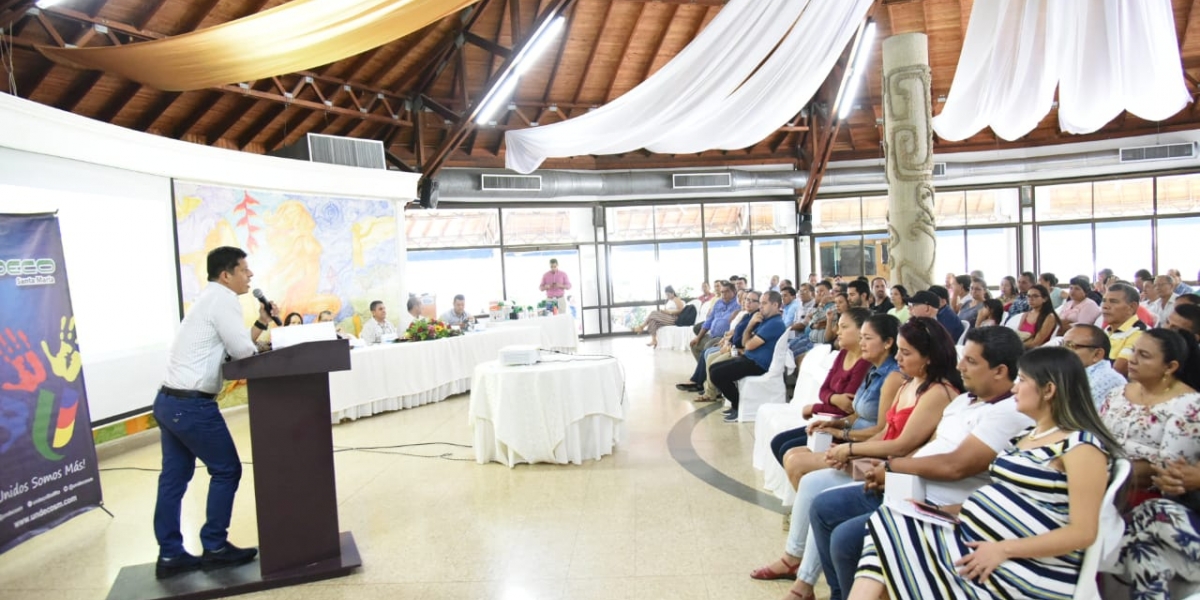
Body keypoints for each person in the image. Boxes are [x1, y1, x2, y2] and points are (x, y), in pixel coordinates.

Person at [850, 346, 1118, 600]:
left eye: (1022, 380)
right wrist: (939, 511)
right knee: (891, 520)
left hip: (1023, 568)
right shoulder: (1027, 437)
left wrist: (1002, 549)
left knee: (888, 534)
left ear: (1048, 390)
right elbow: (1005, 497)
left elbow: (1083, 532)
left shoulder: (1081, 446)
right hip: (980, 541)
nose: (1014, 388)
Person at [808, 327, 1031, 600]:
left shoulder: (1006, 412)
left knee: (847, 538)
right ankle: (839, 593)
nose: (961, 366)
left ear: (1000, 371)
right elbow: (928, 448)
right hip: (908, 486)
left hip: (939, 503)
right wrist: (886, 471)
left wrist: (892, 467)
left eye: (971, 361)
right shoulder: (963, 401)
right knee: (823, 507)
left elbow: (956, 466)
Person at [762, 316, 959, 599]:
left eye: (906, 353)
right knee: (814, 486)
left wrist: (851, 449)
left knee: (815, 484)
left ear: (928, 358)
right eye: (899, 352)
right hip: (880, 459)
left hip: (893, 468)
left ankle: (803, 576)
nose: (899, 358)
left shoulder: (933, 391)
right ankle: (805, 578)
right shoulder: (907, 383)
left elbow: (902, 445)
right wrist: (848, 445)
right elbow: (885, 433)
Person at [753, 313, 903, 595]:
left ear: (887, 343)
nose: (860, 342)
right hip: (853, 437)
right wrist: (836, 424)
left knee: (803, 472)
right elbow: (854, 410)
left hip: (869, 452)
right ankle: (797, 561)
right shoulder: (874, 369)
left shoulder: (894, 376)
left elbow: (884, 431)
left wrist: (845, 440)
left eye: (866, 337)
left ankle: (800, 568)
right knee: (793, 456)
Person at [153, 247, 271, 578]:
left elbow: (234, 346)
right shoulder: (223, 300)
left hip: (169, 402)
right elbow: (243, 351)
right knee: (226, 470)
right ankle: (215, 546)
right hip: (191, 406)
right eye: (244, 270)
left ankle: (170, 555)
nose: (250, 276)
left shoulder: (209, 299)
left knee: (174, 479)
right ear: (225, 275)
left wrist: (261, 322)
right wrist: (260, 343)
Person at [1099, 329, 1200, 499]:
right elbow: (1096, 436)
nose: (1132, 360)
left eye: (1144, 355)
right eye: (1133, 351)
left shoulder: (1188, 405)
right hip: (1100, 476)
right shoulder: (1117, 393)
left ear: (1170, 367)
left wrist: (1105, 474)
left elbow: (1168, 471)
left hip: (1143, 493)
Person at [768, 308, 872, 463]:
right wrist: (834, 398)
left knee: (786, 449)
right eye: (838, 326)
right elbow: (823, 390)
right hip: (829, 418)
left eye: (844, 327)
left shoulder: (864, 362)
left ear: (861, 331)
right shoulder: (843, 353)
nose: (837, 331)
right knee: (778, 442)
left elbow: (846, 408)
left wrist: (814, 408)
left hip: (843, 424)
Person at [709, 290, 787, 422]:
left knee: (717, 374)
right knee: (713, 368)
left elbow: (749, 345)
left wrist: (750, 328)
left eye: (764, 303)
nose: (761, 306)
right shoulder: (765, 320)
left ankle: (738, 406)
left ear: (775, 305)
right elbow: (746, 342)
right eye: (760, 303)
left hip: (759, 364)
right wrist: (750, 325)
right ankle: (737, 404)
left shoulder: (775, 324)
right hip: (750, 358)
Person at [694, 292, 759, 402]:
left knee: (714, 364)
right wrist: (727, 341)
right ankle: (710, 392)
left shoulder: (756, 318)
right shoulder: (746, 315)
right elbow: (736, 332)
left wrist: (731, 346)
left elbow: (747, 338)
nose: (748, 302)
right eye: (747, 299)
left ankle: (715, 392)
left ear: (759, 304)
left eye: (753, 301)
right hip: (731, 345)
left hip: (739, 351)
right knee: (709, 357)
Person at [678, 282, 740, 391]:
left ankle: (697, 381)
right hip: (712, 334)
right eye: (722, 292)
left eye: (727, 292)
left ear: (734, 292)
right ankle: (705, 376)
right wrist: (698, 337)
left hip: (723, 338)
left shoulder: (738, 304)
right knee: (695, 345)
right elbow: (708, 321)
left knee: (707, 347)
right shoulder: (718, 303)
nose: (724, 294)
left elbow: (735, 325)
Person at [1062, 323, 1126, 407]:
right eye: (1062, 345)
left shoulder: (1106, 378)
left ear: (1097, 354)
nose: (1061, 351)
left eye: (1070, 345)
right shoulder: (1073, 373)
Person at [1102, 282, 1147, 376]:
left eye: (1113, 301)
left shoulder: (1140, 333)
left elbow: (1116, 373)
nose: (1105, 306)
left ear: (1131, 307)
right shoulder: (1107, 330)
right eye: (1104, 300)